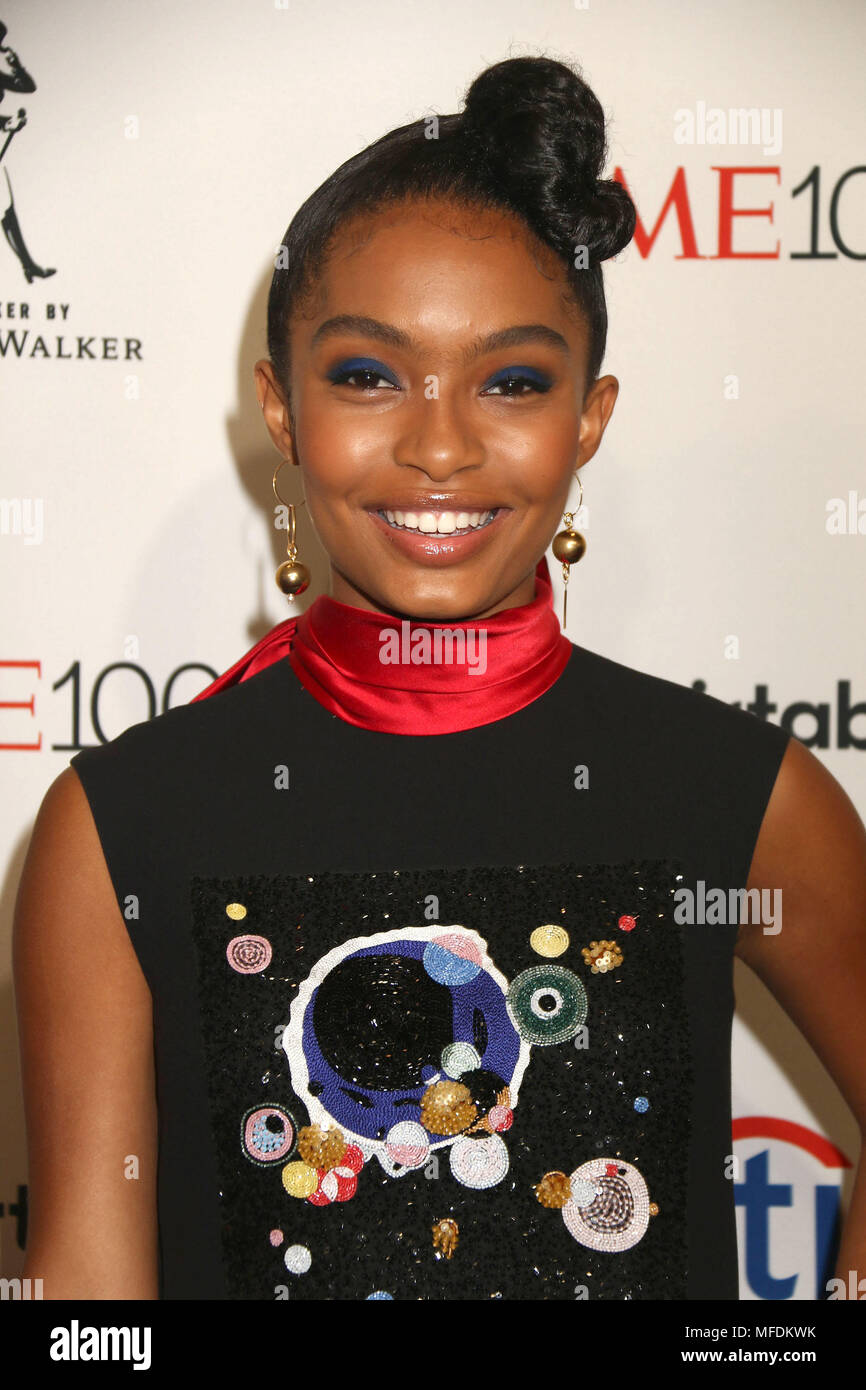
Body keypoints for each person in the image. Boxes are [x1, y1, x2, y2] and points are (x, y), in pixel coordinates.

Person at [13, 54, 866, 1302]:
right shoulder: (120, 827)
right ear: (282, 408)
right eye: (367, 374)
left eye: (511, 381)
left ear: (587, 418)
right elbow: (86, 1302)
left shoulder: (736, 794)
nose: (440, 443)